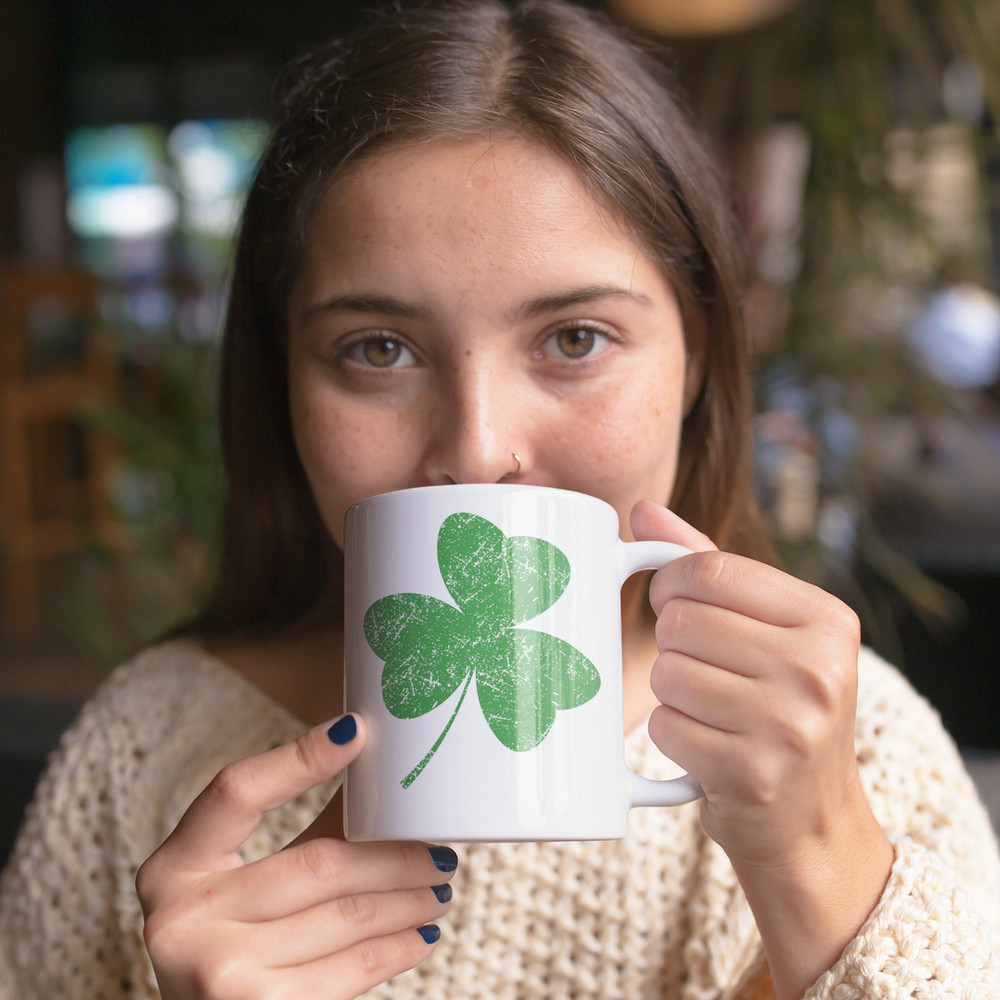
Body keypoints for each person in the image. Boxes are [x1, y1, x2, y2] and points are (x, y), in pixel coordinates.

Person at [2, 1, 998, 997]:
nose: (477, 451)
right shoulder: (141, 752)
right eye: (377, 350)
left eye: (573, 339)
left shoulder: (862, 749)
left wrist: (820, 872)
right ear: (284, 383)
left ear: (693, 356)